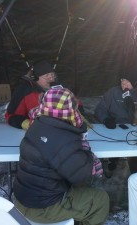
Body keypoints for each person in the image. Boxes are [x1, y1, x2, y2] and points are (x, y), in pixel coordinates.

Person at [13, 88, 109, 225]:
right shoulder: (65, 137)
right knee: (100, 200)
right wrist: (84, 147)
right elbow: (84, 173)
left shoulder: (36, 124)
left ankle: (76, 217)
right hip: (42, 207)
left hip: (24, 198)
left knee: (79, 186)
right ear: (71, 108)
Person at [95, 78, 137, 175]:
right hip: (115, 128)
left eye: (127, 81)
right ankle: (112, 161)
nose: (124, 84)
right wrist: (105, 119)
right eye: (122, 81)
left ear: (134, 82)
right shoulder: (113, 92)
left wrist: (134, 109)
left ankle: (134, 166)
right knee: (113, 147)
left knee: (134, 146)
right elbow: (100, 109)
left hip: (134, 130)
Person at [5, 60, 56, 129]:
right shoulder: (27, 90)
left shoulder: (53, 87)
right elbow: (10, 116)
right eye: (47, 76)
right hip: (21, 122)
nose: (51, 79)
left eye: (52, 75)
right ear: (35, 78)